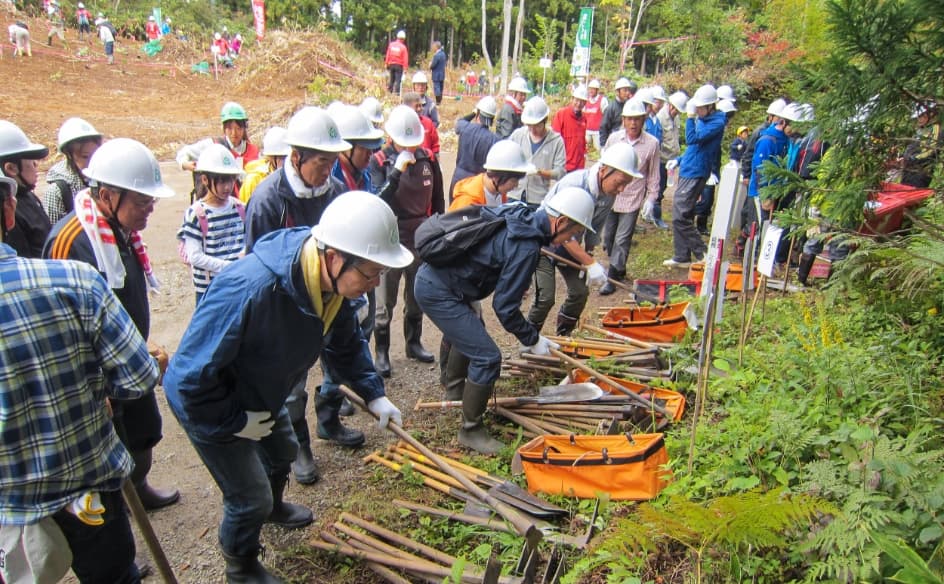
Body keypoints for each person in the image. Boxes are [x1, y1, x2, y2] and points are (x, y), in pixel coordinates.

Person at [164, 192, 410, 583]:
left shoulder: (327, 287)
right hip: (212, 404)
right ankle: (240, 565)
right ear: (334, 256)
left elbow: (345, 343)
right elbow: (187, 379)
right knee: (248, 499)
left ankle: (274, 508)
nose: (373, 284)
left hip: (263, 391)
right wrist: (232, 421)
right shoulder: (250, 290)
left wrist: (374, 393)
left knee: (283, 452)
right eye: (369, 273)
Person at [1, 199, 160, 584]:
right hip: (89, 486)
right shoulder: (75, 280)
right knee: (114, 577)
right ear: (9, 210)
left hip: (9, 507)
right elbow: (139, 378)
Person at [43, 138, 180, 512]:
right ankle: (118, 522)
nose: (149, 210)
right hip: (93, 374)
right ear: (106, 195)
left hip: (128, 355)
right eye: (142, 202)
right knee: (105, 456)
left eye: (152, 202)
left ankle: (140, 486)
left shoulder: (122, 233)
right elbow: (58, 325)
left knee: (143, 432)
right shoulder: (70, 242)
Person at [415, 187, 596, 454]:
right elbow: (505, 307)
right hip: (440, 290)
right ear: (561, 221)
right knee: (487, 357)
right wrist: (532, 338)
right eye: (573, 232)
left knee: (472, 332)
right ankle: (471, 430)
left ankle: (455, 392)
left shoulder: (520, 213)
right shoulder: (527, 245)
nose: (570, 238)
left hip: (445, 281)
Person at [245, 106, 362, 484]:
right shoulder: (268, 201)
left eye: (332, 162)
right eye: (321, 163)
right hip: (289, 309)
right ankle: (300, 448)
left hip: (331, 302)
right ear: (296, 157)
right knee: (291, 386)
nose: (328, 170)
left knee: (337, 367)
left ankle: (329, 421)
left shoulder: (336, 192)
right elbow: (257, 266)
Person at [526, 143, 642, 335]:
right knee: (545, 296)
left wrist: (588, 255)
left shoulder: (608, 194)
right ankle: (529, 340)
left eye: (626, 184)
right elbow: (560, 230)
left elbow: (594, 230)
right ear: (604, 170)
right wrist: (589, 262)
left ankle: (564, 336)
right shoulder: (574, 184)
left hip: (570, 244)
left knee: (580, 292)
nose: (621, 189)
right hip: (546, 241)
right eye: (619, 182)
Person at [368, 105, 444, 376]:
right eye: (404, 143)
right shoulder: (379, 161)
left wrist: (438, 233)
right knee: (383, 301)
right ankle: (382, 352)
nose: (409, 148)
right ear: (391, 138)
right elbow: (376, 202)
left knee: (416, 296)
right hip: (390, 237)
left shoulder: (428, 160)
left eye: (413, 143)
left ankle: (413, 342)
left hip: (419, 238)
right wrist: (396, 173)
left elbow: (437, 201)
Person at [598, 99, 661, 295]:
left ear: (643, 120)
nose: (633, 124)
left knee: (622, 239)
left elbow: (653, 174)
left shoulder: (651, 144)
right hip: (610, 196)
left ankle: (613, 276)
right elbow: (603, 166)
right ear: (623, 120)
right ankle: (619, 265)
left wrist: (651, 198)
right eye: (629, 119)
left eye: (637, 120)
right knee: (608, 238)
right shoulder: (614, 139)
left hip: (632, 197)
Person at [663, 84, 726, 268]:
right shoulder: (704, 119)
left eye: (700, 107)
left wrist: (690, 118)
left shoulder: (716, 123)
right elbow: (695, 147)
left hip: (697, 172)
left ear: (710, 106)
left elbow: (692, 139)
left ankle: (703, 252)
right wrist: (680, 159)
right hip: (689, 168)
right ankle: (682, 255)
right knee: (685, 214)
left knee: (679, 215)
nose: (697, 111)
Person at [177, 144, 246, 305]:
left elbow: (248, 241)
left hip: (238, 285)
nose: (228, 187)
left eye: (230, 179)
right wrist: (230, 267)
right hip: (210, 291)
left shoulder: (240, 208)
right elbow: (195, 256)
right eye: (221, 181)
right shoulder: (196, 214)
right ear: (205, 180)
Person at [177, 101, 260, 201]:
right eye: (230, 128)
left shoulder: (254, 151)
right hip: (221, 204)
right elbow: (185, 152)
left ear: (244, 128)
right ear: (224, 128)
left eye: (238, 128)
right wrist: (185, 164)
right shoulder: (214, 146)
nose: (234, 133)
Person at [0, 121, 51, 259]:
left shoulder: (28, 196)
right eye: (32, 162)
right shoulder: (9, 210)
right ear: (11, 168)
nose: (36, 167)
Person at [508, 96, 566, 207]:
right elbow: (507, 157)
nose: (533, 130)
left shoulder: (556, 141)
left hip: (537, 199)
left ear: (544, 121)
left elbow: (560, 172)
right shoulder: (518, 135)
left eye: (537, 126)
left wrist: (539, 172)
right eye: (530, 126)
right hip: (514, 194)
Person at [44, 117, 103, 224]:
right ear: (69, 155)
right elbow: (54, 234)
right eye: (85, 157)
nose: (92, 161)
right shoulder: (58, 191)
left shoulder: (105, 179)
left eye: (96, 154)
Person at [451, 139, 534, 209]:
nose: (516, 185)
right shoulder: (467, 202)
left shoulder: (499, 191)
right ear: (497, 177)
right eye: (513, 181)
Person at [647, 90, 687, 230]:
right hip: (661, 159)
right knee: (658, 188)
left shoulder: (675, 118)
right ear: (671, 105)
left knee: (662, 187)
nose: (677, 112)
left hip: (671, 160)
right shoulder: (660, 117)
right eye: (676, 109)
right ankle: (655, 216)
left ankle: (648, 211)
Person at [450, 96, 500, 198]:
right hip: (478, 183)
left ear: (478, 114)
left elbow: (459, 122)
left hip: (459, 178)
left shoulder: (465, 127)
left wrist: (473, 113)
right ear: (492, 119)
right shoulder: (495, 140)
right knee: (472, 213)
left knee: (454, 211)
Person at [239, 126, 290, 203]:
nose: (288, 162)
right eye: (283, 158)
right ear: (271, 158)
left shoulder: (293, 178)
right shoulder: (254, 181)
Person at [552, 84, 589, 172]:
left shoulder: (584, 118)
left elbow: (582, 141)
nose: (579, 104)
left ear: (585, 103)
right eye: (577, 100)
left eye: (582, 101)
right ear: (572, 99)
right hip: (565, 165)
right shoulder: (561, 114)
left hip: (578, 166)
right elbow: (554, 140)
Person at [403, 91, 441, 159]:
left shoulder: (428, 123)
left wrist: (435, 161)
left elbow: (435, 145)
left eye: (421, 105)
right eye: (416, 106)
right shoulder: (401, 125)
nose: (420, 109)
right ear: (407, 108)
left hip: (426, 163)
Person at [600, 78, 638, 146]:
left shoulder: (629, 105)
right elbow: (604, 127)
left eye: (628, 90)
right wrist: (603, 146)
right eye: (625, 90)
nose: (627, 93)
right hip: (614, 143)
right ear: (617, 92)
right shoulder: (611, 108)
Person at [583, 79, 609, 152]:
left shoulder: (602, 100)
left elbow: (606, 115)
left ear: (597, 90)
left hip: (597, 132)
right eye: (590, 89)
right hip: (587, 131)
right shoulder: (586, 100)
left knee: (598, 151)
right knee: (585, 150)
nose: (591, 91)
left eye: (593, 89)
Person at [429, 41, 446, 105]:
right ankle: (440, 101)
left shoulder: (436, 55)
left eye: (433, 46)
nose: (433, 48)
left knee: (437, 88)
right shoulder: (443, 54)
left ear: (436, 47)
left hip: (436, 74)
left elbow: (433, 65)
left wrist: (430, 65)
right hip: (442, 74)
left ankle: (438, 102)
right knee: (441, 88)